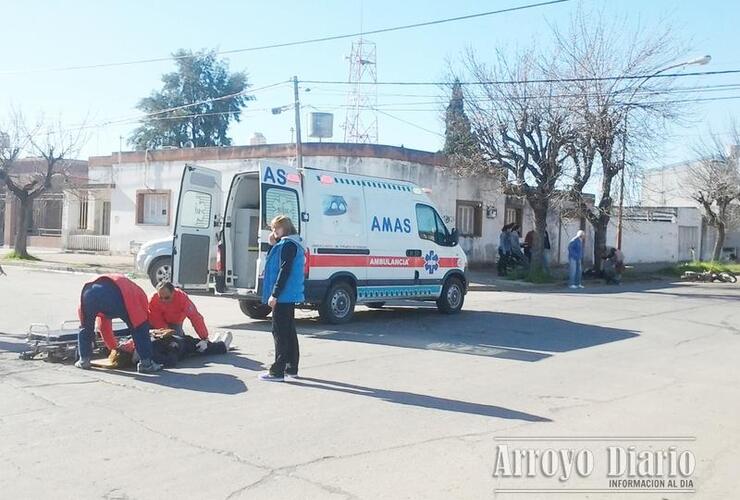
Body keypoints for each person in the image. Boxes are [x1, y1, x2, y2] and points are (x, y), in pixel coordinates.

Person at [76, 274, 162, 373]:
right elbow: (140, 326)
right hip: (117, 293)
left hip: (88, 292)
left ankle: (84, 360)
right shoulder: (140, 296)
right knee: (139, 328)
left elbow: (103, 328)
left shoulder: (132, 289)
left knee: (86, 326)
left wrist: (114, 349)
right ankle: (146, 365)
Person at [258, 215, 306, 382]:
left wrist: (275, 294)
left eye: (275, 228)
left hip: (283, 295)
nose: (273, 231)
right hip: (288, 294)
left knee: (280, 332)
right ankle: (291, 367)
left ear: (284, 228)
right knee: (289, 331)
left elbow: (283, 271)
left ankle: (277, 371)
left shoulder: (287, 245)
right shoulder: (290, 243)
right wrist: (272, 244)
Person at [149, 281, 211, 352]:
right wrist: (167, 337)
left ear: (173, 293)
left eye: (167, 298)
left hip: (175, 322)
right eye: (161, 298)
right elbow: (157, 321)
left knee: (180, 340)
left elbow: (195, 317)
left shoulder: (182, 298)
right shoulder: (153, 300)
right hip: (159, 324)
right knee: (168, 342)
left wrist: (204, 337)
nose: (163, 300)